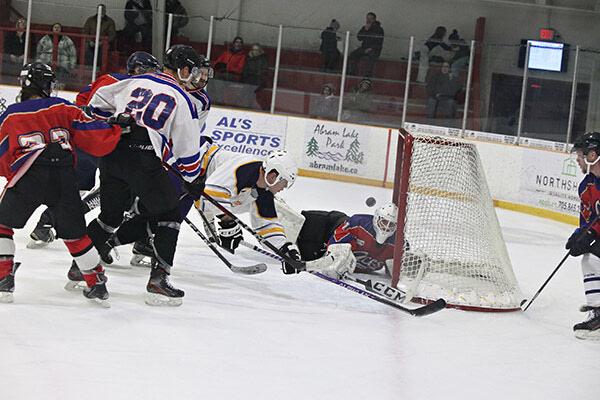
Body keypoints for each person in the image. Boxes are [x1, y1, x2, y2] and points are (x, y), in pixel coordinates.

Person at [84, 44, 209, 306]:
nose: (194, 77)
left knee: (110, 217)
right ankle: (158, 280)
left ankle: (80, 268)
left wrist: (110, 122)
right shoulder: (182, 98)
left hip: (111, 155)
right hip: (142, 158)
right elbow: (187, 149)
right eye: (192, 71)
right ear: (184, 70)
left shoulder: (134, 81)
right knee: (170, 214)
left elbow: (95, 105)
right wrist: (193, 177)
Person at [0, 62, 123, 305]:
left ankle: (4, 278)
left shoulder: (11, 114)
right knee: (75, 234)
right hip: (64, 175)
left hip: (28, 174)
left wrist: (11, 176)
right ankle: (97, 284)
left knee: (2, 225)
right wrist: (117, 128)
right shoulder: (63, 106)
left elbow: (3, 156)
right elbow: (94, 135)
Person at [27, 51, 161, 249]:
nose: (155, 75)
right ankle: (135, 240)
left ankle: (45, 224)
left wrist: (87, 123)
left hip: (82, 139)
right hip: (100, 142)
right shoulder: (132, 86)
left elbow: (83, 100)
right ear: (138, 69)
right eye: (151, 71)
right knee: (120, 187)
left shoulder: (109, 78)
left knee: (78, 186)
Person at [564, 132, 600, 340]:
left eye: (580, 155)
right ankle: (598, 311)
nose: (577, 160)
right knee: (591, 259)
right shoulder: (586, 186)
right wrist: (580, 235)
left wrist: (592, 233)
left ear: (592, 155)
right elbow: (589, 220)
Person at [36, 23, 77, 88]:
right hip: (46, 60)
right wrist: (38, 60)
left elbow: (72, 53)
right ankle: (43, 86)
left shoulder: (67, 40)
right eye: (55, 27)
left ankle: (61, 87)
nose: (57, 29)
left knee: (64, 69)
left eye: (58, 27)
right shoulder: (45, 39)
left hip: (62, 62)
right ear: (52, 28)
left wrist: (72, 65)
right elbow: (38, 51)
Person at [208, 36, 247, 105]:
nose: (238, 44)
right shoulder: (226, 53)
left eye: (240, 43)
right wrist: (217, 65)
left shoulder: (242, 56)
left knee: (218, 77)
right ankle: (212, 98)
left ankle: (219, 99)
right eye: (237, 42)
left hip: (233, 76)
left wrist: (227, 67)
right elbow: (217, 63)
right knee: (213, 79)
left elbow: (239, 69)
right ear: (234, 43)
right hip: (222, 74)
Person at [347, 12, 384, 77]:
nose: (368, 20)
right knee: (353, 54)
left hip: (374, 49)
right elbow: (359, 38)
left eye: (370, 18)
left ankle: (368, 74)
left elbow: (379, 42)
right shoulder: (365, 28)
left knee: (371, 56)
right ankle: (351, 72)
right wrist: (365, 30)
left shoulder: (379, 29)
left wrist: (370, 48)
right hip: (364, 48)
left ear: (374, 19)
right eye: (367, 18)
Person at [2, 18, 36, 84]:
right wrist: (11, 55)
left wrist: (24, 55)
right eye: (21, 22)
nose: (22, 23)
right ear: (17, 23)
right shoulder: (11, 33)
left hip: (24, 57)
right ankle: (6, 83)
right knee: (6, 66)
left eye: (24, 22)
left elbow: (32, 47)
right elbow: (6, 45)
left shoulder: (30, 34)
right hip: (11, 56)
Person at [237, 43, 269, 109]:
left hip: (260, 80)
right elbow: (245, 70)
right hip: (250, 80)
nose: (255, 51)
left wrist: (253, 73)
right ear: (251, 50)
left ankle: (241, 95)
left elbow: (263, 70)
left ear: (260, 50)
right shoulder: (248, 59)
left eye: (257, 50)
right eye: (254, 49)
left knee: (251, 84)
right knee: (251, 88)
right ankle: (248, 105)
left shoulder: (263, 59)